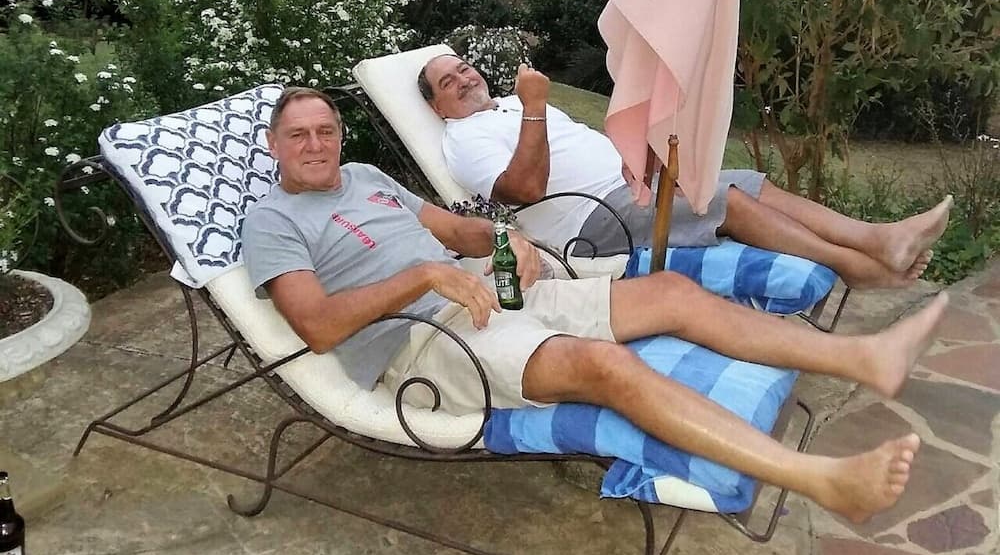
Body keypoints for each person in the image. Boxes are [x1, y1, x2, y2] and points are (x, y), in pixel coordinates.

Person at [242, 86, 948, 525]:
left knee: (671, 292)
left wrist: (504, 236)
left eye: (325, 130)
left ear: (340, 136)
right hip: (422, 342)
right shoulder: (272, 222)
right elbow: (320, 328)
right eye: (298, 135)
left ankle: (862, 357)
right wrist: (423, 277)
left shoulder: (366, 176)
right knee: (602, 368)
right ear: (273, 146)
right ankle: (821, 480)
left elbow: (454, 230)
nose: (316, 144)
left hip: (488, 291)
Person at [418, 54, 954, 290]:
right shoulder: (463, 139)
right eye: (448, 83)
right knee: (721, 200)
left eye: (463, 69)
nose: (464, 80)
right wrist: (536, 105)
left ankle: (877, 239)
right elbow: (525, 189)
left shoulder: (511, 106)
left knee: (749, 182)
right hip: (590, 223)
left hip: (628, 188)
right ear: (438, 108)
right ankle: (854, 266)